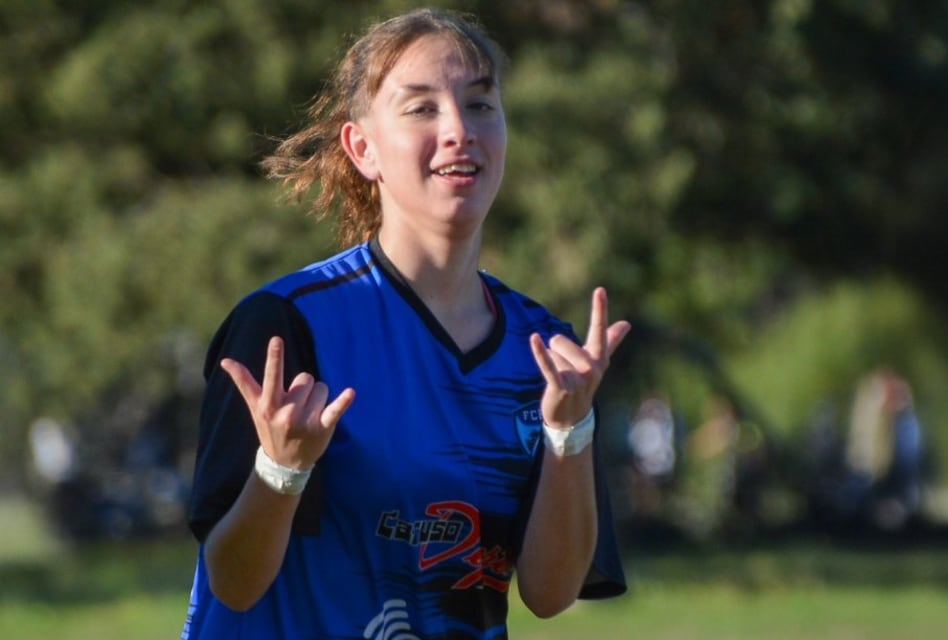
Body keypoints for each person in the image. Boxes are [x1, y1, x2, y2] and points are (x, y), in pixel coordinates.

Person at [180, 8, 631, 640]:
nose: (458, 131)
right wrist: (281, 470)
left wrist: (568, 431)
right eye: (421, 108)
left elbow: (552, 594)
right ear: (362, 149)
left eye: (480, 106)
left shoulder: (547, 355)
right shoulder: (288, 326)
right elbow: (234, 581)